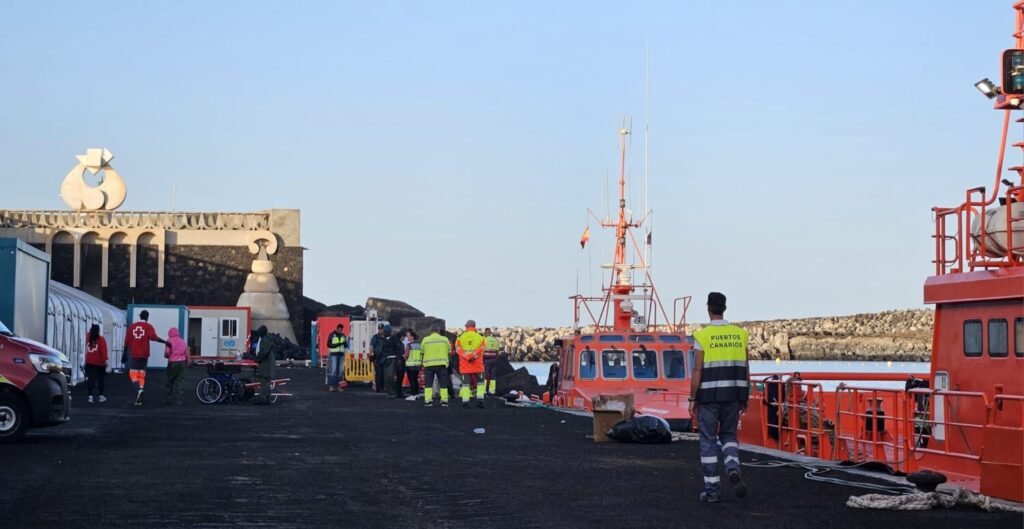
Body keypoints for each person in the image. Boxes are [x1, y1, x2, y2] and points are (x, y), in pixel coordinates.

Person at [689, 291, 750, 503]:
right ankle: (732, 467)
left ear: (708, 308)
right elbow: (746, 368)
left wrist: (692, 398)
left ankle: (712, 491)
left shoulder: (702, 336)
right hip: (733, 395)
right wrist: (744, 396)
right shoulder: (740, 335)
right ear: (724, 308)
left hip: (708, 397)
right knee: (729, 436)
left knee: (708, 441)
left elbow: (697, 370)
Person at [123, 310, 167, 406]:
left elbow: (126, 341)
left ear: (140, 316)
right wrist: (165, 342)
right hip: (144, 355)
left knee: (132, 374)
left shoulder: (132, 327)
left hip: (135, 355)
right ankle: (139, 396)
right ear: (147, 317)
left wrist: (124, 354)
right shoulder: (148, 326)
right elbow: (154, 337)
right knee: (141, 375)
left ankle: (139, 390)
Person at [455, 320, 487, 408]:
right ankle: (480, 400)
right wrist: (473, 355)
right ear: (474, 326)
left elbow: (458, 349)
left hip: (465, 365)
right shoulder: (481, 337)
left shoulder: (460, 337)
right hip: (478, 365)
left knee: (465, 384)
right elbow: (482, 347)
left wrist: (467, 356)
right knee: (480, 383)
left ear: (467, 326)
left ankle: (465, 402)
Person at [420, 325, 451, 407]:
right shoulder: (445, 339)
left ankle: (428, 401)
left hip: (429, 365)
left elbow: (421, 352)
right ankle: (444, 401)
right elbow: (449, 351)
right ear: (438, 331)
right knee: (443, 383)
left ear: (430, 331)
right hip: (441, 364)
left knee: (428, 384)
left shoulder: (425, 339)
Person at [163, 327, 188, 405]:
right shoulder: (182, 341)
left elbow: (167, 353)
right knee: (181, 382)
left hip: (173, 363)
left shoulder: (169, 341)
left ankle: (168, 399)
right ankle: (179, 401)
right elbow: (186, 353)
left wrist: (166, 356)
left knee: (169, 381)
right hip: (182, 363)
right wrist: (187, 362)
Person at [84, 324, 108, 404]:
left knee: (90, 379)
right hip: (100, 363)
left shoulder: (88, 337)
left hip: (89, 362)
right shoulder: (101, 339)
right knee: (101, 380)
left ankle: (90, 397)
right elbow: (103, 351)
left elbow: (88, 333)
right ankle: (101, 396)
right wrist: (105, 360)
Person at [253, 325, 276, 405]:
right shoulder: (267, 339)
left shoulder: (264, 340)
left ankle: (263, 399)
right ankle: (267, 399)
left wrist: (256, 360)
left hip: (266, 364)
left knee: (264, 381)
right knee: (266, 382)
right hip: (268, 363)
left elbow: (263, 352)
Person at [381, 324, 404, 398]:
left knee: (390, 376)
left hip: (393, 359)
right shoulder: (383, 339)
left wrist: (398, 359)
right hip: (385, 359)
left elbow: (397, 349)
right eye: (384, 331)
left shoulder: (394, 339)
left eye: (385, 331)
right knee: (386, 377)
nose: (384, 332)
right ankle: (390, 393)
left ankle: (394, 392)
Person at [326, 324, 347, 392]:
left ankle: (339, 386)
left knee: (340, 371)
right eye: (340, 329)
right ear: (337, 328)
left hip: (341, 354)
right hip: (334, 355)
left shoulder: (343, 335)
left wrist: (344, 343)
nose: (341, 331)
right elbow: (328, 344)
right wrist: (339, 344)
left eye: (341, 330)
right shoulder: (332, 335)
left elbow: (345, 345)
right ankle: (331, 386)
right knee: (334, 370)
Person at [401, 330, 422, 397]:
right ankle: (417, 394)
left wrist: (404, 357)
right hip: (417, 365)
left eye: (408, 336)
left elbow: (406, 355)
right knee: (415, 380)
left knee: (411, 380)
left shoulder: (409, 345)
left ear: (412, 337)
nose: (407, 337)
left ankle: (413, 395)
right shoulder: (419, 345)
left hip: (410, 365)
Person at [483, 328, 501, 395]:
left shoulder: (484, 340)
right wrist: (496, 359)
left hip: (486, 359)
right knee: (493, 376)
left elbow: (481, 350)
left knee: (484, 375)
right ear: (490, 333)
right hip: (494, 359)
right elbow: (497, 351)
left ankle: (484, 390)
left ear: (485, 333)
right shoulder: (495, 340)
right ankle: (492, 390)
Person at [370, 323, 387, 393]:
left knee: (384, 373)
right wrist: (370, 355)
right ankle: (378, 388)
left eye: (381, 329)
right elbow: (371, 346)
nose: (380, 330)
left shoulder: (386, 337)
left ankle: (384, 387)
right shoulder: (375, 337)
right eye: (379, 329)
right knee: (378, 373)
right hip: (378, 358)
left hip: (385, 358)